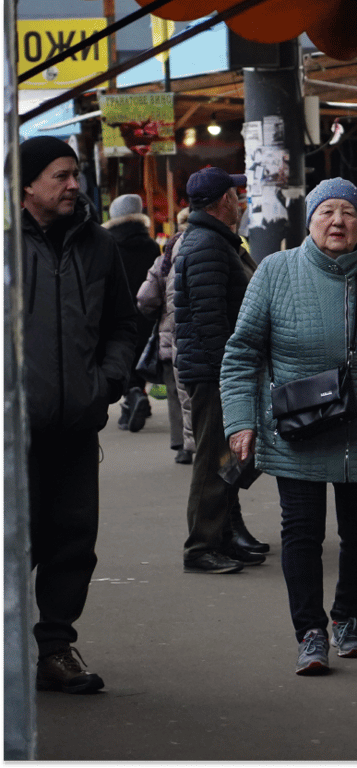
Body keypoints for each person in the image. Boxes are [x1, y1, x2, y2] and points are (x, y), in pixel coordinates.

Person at [219, 179, 357, 675]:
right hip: (297, 426)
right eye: (327, 212)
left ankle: (348, 619)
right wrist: (240, 422)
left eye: (348, 212)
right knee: (301, 531)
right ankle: (309, 633)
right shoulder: (275, 273)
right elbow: (241, 354)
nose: (338, 221)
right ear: (310, 221)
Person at [19, 136, 141, 693]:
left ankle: (54, 649)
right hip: (10, 431)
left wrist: (107, 382)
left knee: (71, 539)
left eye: (75, 175)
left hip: (75, 426)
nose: (74, 185)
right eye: (60, 176)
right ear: (26, 185)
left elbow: (123, 322)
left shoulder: (99, 245)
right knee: (12, 540)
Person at [174, 167, 267, 574]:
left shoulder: (216, 241)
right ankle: (201, 547)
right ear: (222, 202)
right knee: (214, 460)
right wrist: (231, 376)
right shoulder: (208, 245)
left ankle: (224, 536)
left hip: (219, 371)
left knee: (231, 458)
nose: (241, 201)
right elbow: (211, 321)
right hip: (215, 374)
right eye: (236, 194)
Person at [137, 207, 195, 465]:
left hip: (171, 339)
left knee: (175, 394)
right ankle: (203, 443)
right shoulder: (217, 245)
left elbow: (145, 298)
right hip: (205, 340)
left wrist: (159, 314)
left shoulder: (167, 255)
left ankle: (182, 445)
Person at [104, 193, 161, 432]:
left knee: (123, 358)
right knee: (141, 357)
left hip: (119, 315)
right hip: (146, 314)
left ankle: (134, 394)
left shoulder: (109, 243)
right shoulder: (150, 245)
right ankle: (138, 398)